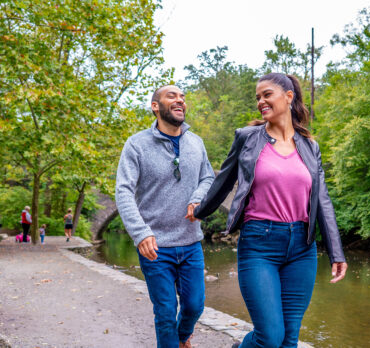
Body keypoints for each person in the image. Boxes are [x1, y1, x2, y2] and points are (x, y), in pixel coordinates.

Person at [194, 73, 348, 348]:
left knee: (289, 340)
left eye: (267, 95)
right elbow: (224, 181)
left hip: (302, 247)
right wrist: (199, 211)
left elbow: (322, 200)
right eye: (257, 97)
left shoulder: (311, 146)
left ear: (289, 97)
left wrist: (336, 253)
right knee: (269, 337)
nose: (260, 101)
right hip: (259, 243)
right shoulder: (248, 138)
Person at [115, 84, 215, 348]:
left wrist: (197, 198)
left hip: (191, 242)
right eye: (172, 96)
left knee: (194, 307)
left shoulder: (196, 143)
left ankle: (182, 339)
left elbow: (208, 178)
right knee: (165, 313)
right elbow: (123, 191)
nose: (180, 100)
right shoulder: (136, 144)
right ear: (155, 106)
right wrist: (140, 233)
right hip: (155, 246)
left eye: (182, 96)